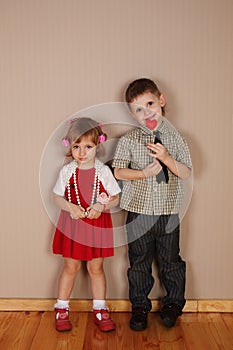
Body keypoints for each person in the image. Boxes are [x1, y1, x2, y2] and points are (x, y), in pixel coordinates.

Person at [112, 78, 192, 330]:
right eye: (138, 109)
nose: (146, 112)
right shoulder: (129, 140)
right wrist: (143, 174)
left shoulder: (176, 139)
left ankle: (173, 304)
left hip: (168, 213)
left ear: (161, 100)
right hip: (139, 213)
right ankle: (139, 306)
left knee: (171, 260)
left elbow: (186, 173)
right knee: (139, 262)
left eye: (150, 104)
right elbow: (118, 172)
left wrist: (167, 158)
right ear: (132, 114)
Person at [52, 117, 121, 332]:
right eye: (77, 146)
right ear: (69, 147)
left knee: (96, 267)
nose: (82, 152)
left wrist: (101, 207)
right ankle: (62, 308)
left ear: (98, 145)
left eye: (88, 146)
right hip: (73, 225)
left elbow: (115, 197)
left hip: (96, 224)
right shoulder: (67, 171)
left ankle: (100, 309)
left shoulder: (104, 172)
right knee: (70, 267)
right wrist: (70, 207)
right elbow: (56, 197)